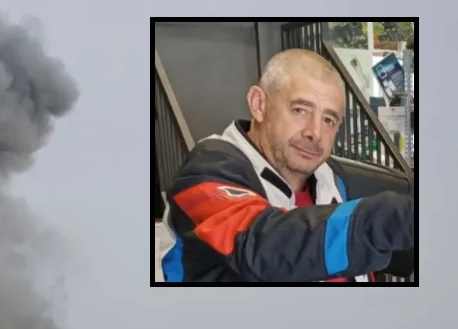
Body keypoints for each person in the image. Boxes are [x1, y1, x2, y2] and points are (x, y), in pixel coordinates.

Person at [157, 49, 414, 283]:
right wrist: (390, 218)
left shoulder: (333, 177)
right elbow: (263, 248)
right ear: (259, 104)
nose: (315, 132)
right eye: (300, 110)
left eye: (328, 120)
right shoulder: (207, 170)